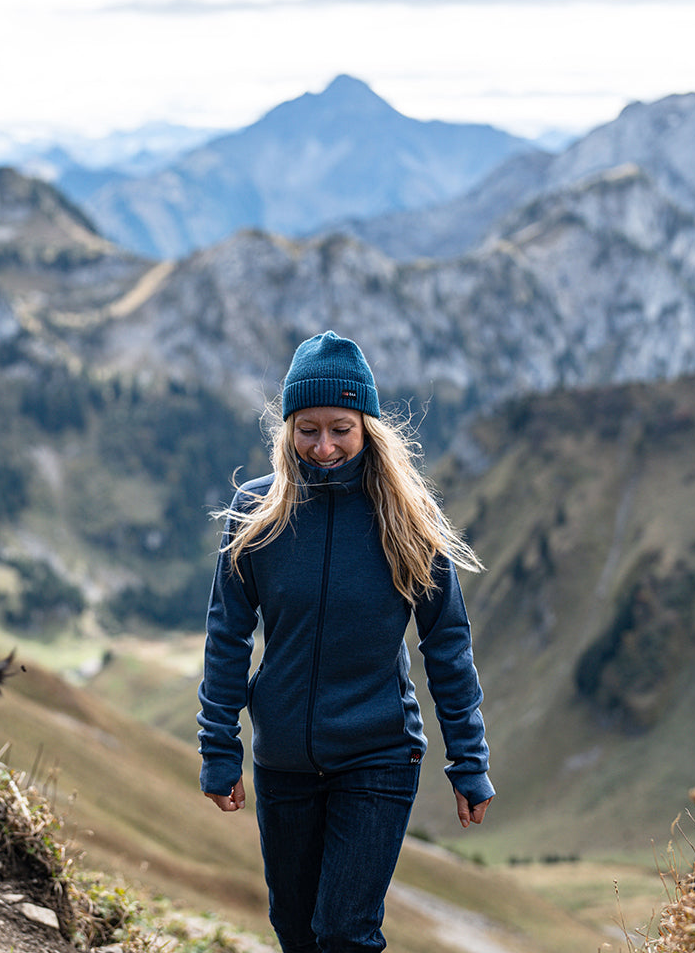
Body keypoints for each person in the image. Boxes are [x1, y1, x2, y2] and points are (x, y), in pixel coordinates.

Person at [196, 330, 493, 953]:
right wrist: (219, 747)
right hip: (283, 761)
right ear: (288, 429)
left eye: (341, 429)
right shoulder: (256, 513)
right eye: (308, 429)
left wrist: (469, 761)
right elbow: (227, 637)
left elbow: (447, 645)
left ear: (368, 427)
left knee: (344, 934)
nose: (324, 446)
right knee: (295, 931)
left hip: (378, 756)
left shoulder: (409, 518)